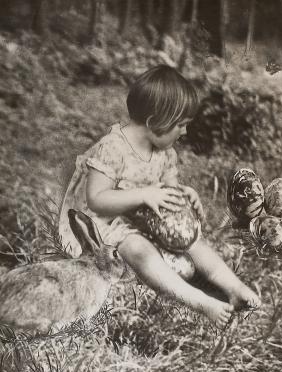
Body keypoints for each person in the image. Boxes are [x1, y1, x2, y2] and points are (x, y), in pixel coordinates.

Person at [59, 65, 261, 327]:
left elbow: (169, 190)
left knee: (195, 242)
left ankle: (234, 288)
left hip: (142, 217)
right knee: (139, 249)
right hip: (105, 220)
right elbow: (96, 199)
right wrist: (143, 194)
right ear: (156, 123)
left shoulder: (165, 153)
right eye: (181, 125)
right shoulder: (113, 149)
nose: (185, 132)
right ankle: (199, 301)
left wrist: (185, 196)